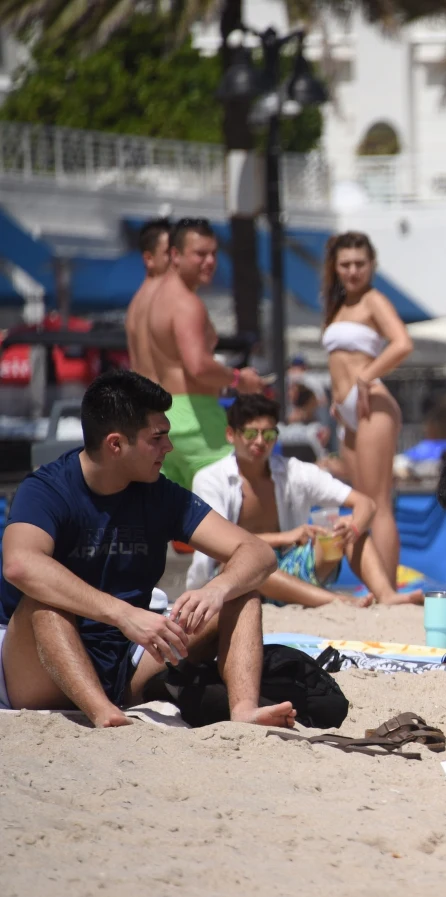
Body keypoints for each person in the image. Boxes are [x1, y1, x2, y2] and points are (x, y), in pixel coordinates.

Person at [0, 371, 294, 729]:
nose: (168, 447)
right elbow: (20, 565)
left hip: (129, 658)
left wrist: (216, 589)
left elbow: (258, 552)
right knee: (43, 604)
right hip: (41, 668)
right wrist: (122, 614)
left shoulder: (158, 493)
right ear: (115, 444)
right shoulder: (47, 489)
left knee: (241, 593)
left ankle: (244, 711)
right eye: (158, 438)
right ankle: (103, 713)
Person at [187, 394, 423, 608]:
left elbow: (366, 504)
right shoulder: (210, 479)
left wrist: (352, 526)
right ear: (231, 434)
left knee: (350, 529)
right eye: (251, 433)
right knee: (252, 563)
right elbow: (217, 546)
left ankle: (386, 594)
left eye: (268, 434)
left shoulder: (294, 470)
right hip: (233, 579)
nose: (260, 441)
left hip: (292, 564)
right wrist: (285, 537)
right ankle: (335, 600)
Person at [129, 218, 264, 489]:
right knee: (239, 498)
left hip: (162, 414)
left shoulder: (152, 299)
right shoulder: (187, 304)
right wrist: (239, 379)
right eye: (200, 254)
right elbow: (198, 366)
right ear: (175, 256)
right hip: (195, 417)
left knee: (180, 520)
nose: (210, 261)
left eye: (214, 253)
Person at [321, 232, 414, 585]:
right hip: (347, 410)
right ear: (335, 267)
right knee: (361, 504)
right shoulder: (337, 305)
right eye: (345, 264)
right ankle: (374, 585)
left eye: (360, 263)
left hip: (372, 402)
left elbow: (402, 343)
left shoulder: (373, 300)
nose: (353, 270)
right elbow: (339, 360)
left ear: (372, 265)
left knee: (378, 503)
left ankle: (386, 587)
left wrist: (366, 377)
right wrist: (337, 399)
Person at [124, 218, 171, 337]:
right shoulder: (158, 303)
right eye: (168, 253)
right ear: (149, 259)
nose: (176, 259)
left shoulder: (143, 300)